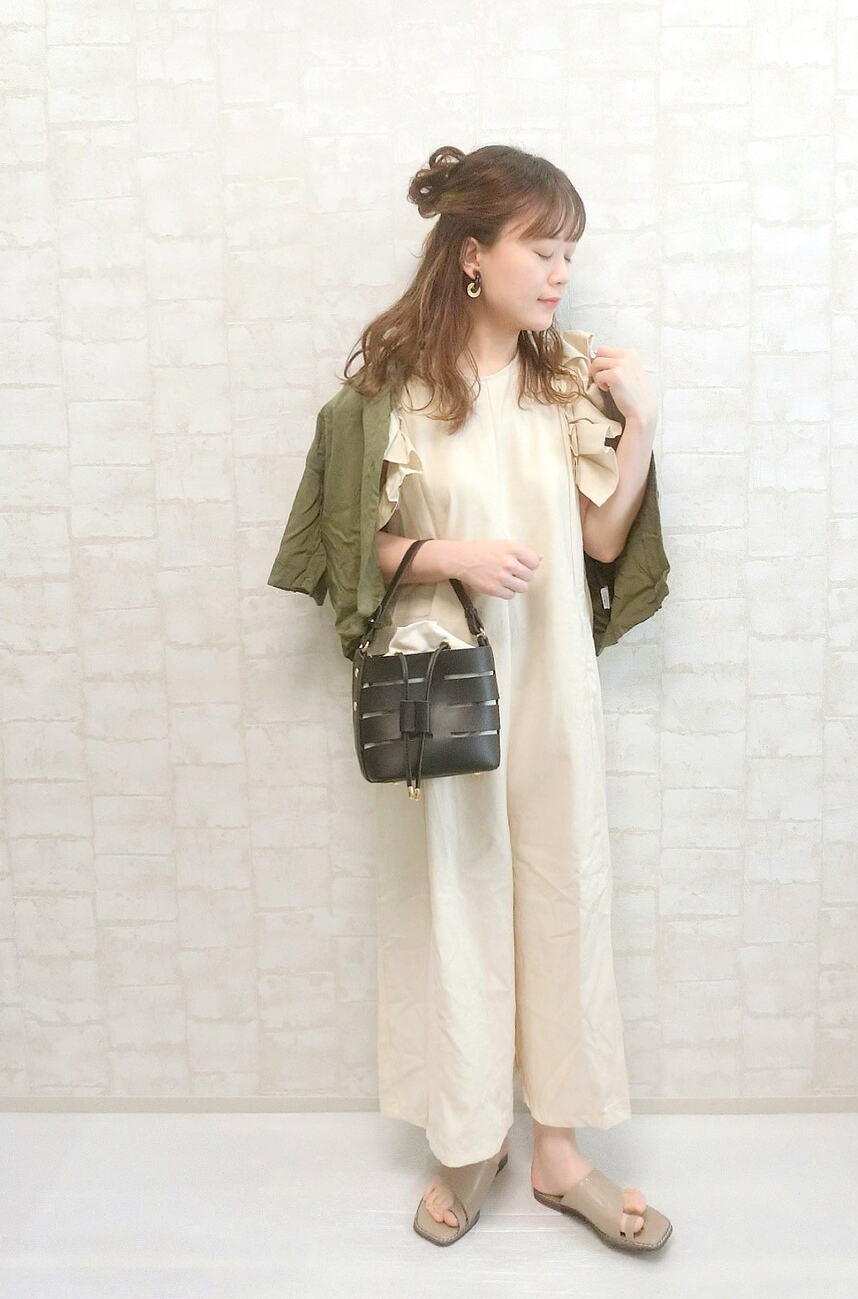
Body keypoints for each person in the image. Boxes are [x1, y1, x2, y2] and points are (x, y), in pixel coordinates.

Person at [270, 143, 672, 1253]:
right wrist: (451, 553)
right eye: (543, 250)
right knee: (457, 896)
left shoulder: (567, 379)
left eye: (570, 253)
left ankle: (559, 1152)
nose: (561, 274)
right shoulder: (388, 396)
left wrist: (640, 424)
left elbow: (600, 540)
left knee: (564, 887)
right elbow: (345, 549)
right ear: (471, 255)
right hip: (445, 683)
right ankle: (469, 1137)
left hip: (554, 679)